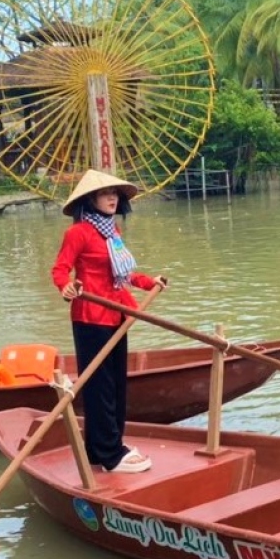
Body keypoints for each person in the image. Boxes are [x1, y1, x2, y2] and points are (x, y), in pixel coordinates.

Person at [52, 170, 166, 473]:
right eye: (105, 194)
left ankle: (100, 449)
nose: (112, 198)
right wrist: (66, 288)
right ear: (90, 199)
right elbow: (60, 270)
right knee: (99, 387)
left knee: (116, 385)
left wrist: (148, 281)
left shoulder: (111, 230)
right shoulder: (77, 233)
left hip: (116, 314)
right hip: (91, 316)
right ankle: (111, 455)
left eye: (115, 193)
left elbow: (123, 274)